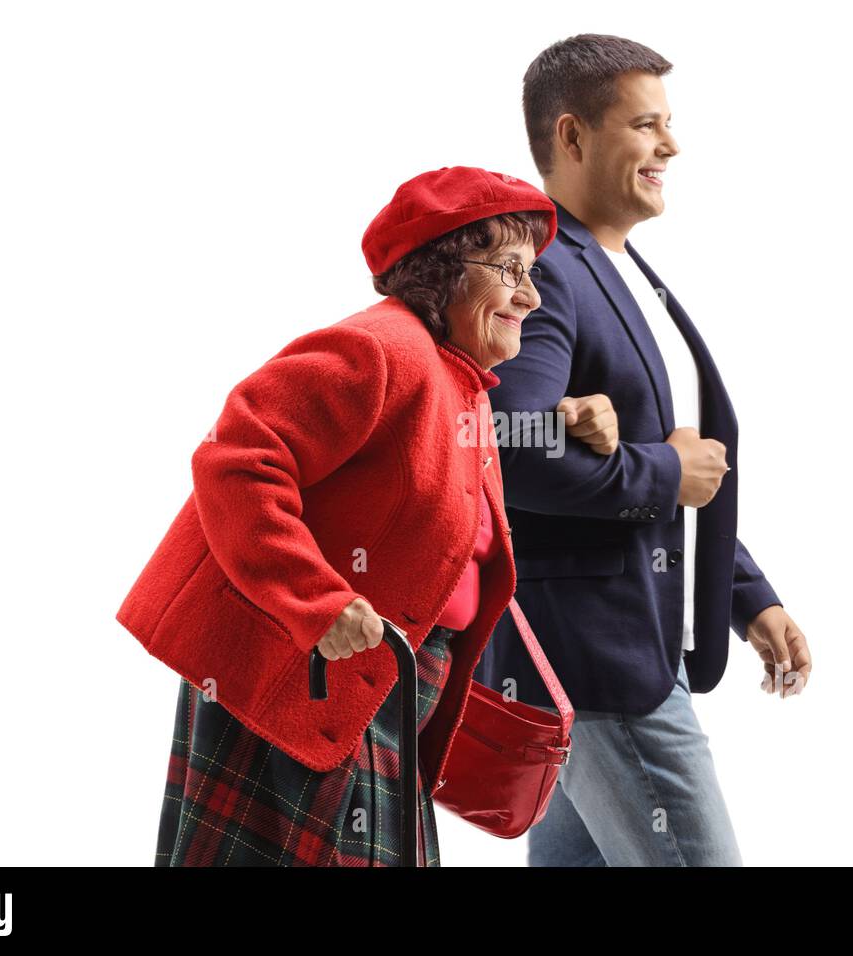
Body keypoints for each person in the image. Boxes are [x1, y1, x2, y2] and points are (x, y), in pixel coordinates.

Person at [115, 165, 622, 866]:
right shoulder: (381, 349)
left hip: (379, 690)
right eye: (510, 268)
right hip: (308, 681)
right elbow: (236, 458)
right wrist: (317, 604)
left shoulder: (461, 378)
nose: (531, 296)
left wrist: (562, 424)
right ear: (443, 269)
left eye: (532, 272)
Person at [474, 35, 815, 866]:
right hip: (598, 663)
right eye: (646, 124)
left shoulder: (623, 270)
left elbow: (674, 473)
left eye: (669, 124)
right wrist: (666, 472)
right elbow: (508, 448)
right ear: (573, 136)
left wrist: (745, 593)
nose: (671, 145)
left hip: (614, 653)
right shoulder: (545, 268)